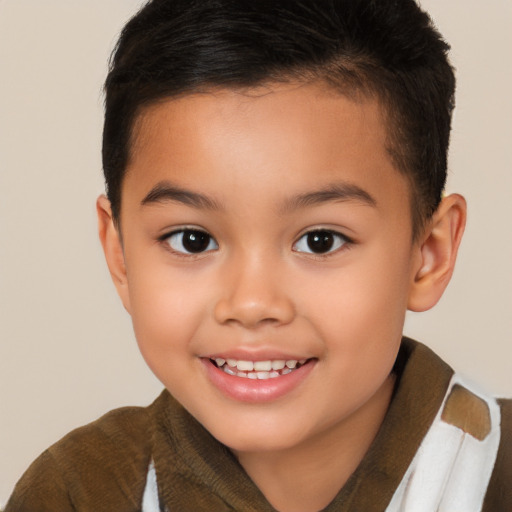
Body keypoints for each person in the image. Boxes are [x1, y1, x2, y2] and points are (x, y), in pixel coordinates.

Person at [5, 0, 511, 510]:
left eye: (320, 240)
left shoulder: (496, 472)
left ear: (428, 254)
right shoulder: (79, 493)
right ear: (120, 256)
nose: (251, 304)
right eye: (192, 240)